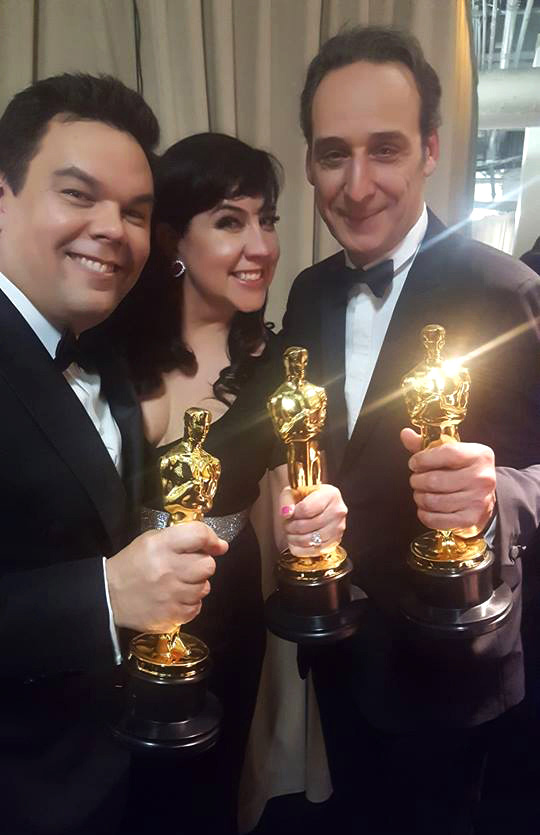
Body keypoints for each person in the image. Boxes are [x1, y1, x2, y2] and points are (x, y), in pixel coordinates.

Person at [280, 26, 540, 835]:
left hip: (453, 669)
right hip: (338, 645)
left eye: (384, 149)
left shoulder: (508, 289)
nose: (356, 186)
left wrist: (495, 493)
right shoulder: (311, 290)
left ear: (431, 149)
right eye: (332, 154)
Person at [0, 74, 229, 835]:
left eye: (134, 211)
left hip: (120, 768)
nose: (114, 229)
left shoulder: (105, 353)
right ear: (3, 194)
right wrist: (102, 596)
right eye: (78, 195)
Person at [111, 132, 348, 834]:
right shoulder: (106, 346)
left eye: (267, 219)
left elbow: (312, 484)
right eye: (229, 220)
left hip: (230, 609)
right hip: (114, 621)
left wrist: (323, 514)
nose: (261, 244)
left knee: (209, 797)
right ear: (171, 239)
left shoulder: (281, 364)